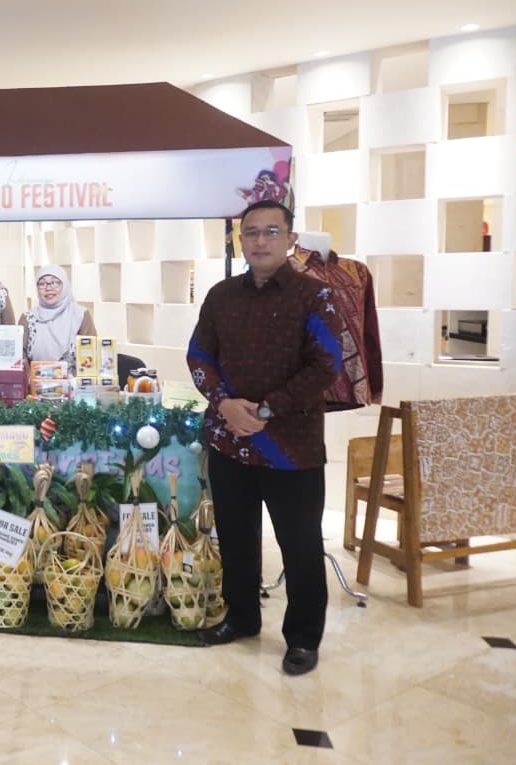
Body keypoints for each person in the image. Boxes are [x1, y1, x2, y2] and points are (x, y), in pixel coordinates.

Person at [185, 199, 343, 676]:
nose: (259, 241)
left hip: (291, 444)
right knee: (236, 536)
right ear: (241, 241)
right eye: (250, 232)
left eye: (270, 231)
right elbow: (198, 355)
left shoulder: (315, 296)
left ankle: (303, 638)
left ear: (290, 239)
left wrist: (267, 409)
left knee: (299, 543)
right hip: (229, 439)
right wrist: (225, 405)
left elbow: (326, 365)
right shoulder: (221, 296)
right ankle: (241, 617)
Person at [20, 264, 96, 371]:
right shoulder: (28, 318)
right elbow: (19, 356)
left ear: (65, 286)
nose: (48, 288)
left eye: (55, 282)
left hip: (74, 380)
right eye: (42, 284)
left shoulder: (80, 315)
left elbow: (91, 356)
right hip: (35, 380)